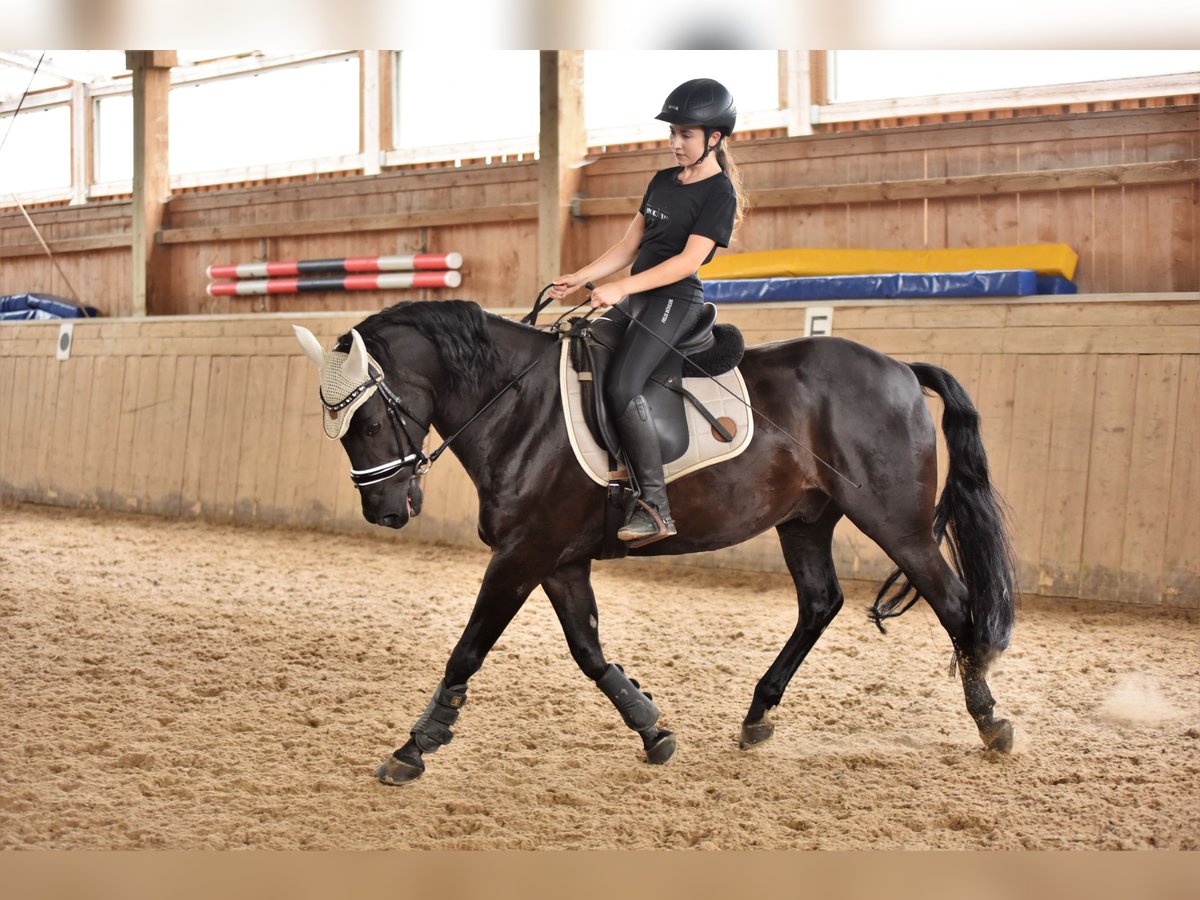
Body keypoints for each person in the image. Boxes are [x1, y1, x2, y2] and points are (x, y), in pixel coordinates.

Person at [551, 78, 748, 547]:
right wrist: (580, 277)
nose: (676, 143)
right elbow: (628, 245)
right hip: (639, 294)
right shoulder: (663, 181)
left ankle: (656, 507)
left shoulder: (719, 193)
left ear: (715, 138)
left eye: (686, 135)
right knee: (580, 349)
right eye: (673, 133)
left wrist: (621, 288)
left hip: (675, 301)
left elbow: (687, 262)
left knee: (623, 383)